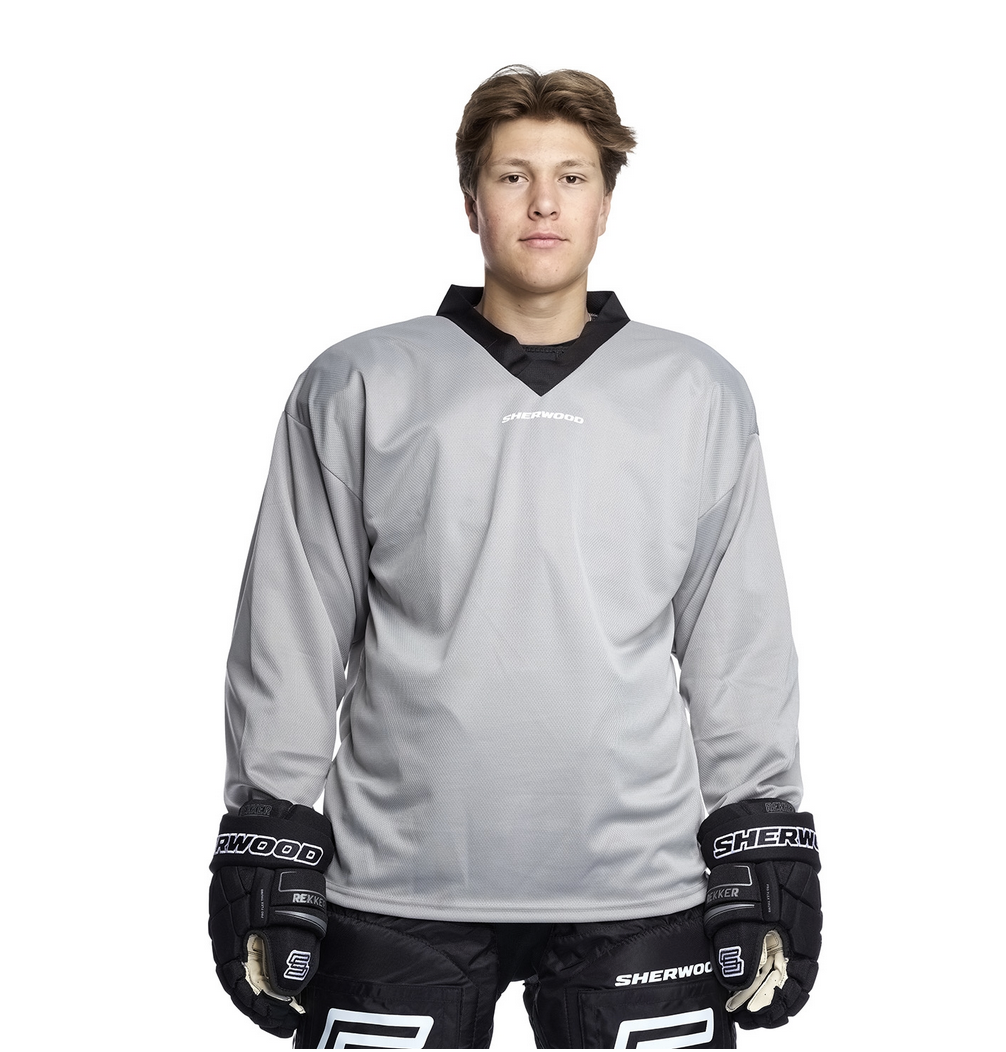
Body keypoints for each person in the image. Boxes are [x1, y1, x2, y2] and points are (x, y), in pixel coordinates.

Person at [208, 65, 822, 1049]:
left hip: (640, 880)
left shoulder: (698, 390)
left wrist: (762, 831)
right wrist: (268, 827)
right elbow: (293, 624)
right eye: (512, 176)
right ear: (470, 200)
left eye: (572, 177)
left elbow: (737, 635)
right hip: (397, 879)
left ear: (606, 202)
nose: (543, 203)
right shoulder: (359, 382)